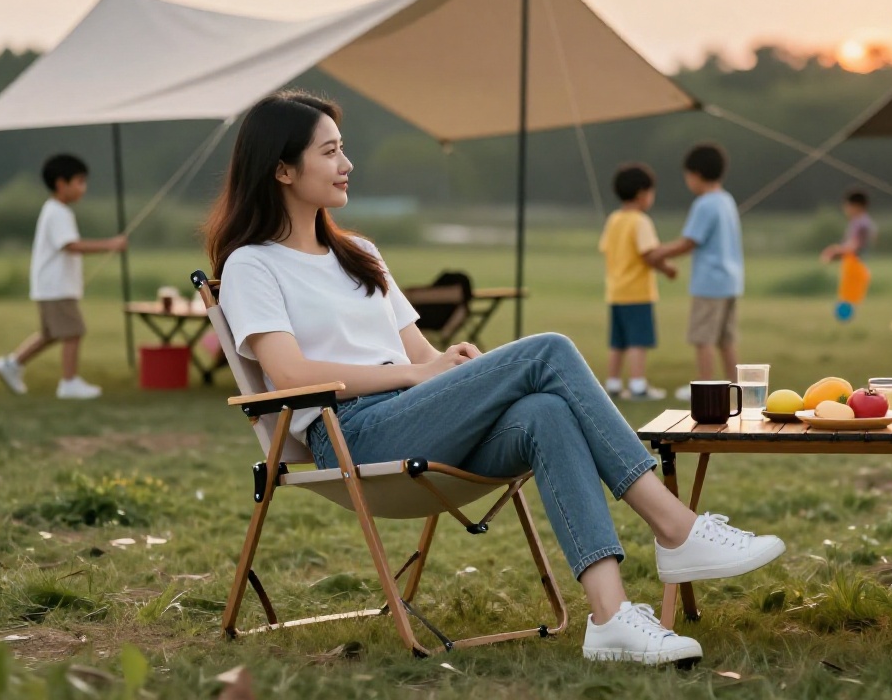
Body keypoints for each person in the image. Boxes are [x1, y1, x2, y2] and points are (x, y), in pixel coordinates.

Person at [205, 90, 784, 667]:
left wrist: (454, 367)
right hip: (351, 436)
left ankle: (609, 618)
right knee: (549, 350)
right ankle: (675, 527)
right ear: (283, 169)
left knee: (546, 412)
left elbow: (420, 354)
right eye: (329, 152)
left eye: (343, 148)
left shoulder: (360, 253)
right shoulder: (253, 263)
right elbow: (288, 372)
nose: (346, 164)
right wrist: (418, 373)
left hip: (415, 415)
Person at [0, 154, 128, 399]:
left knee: (51, 334)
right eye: (79, 182)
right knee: (74, 332)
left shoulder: (55, 211)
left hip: (50, 287)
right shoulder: (58, 212)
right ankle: (69, 383)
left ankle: (12, 365)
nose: (83, 188)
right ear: (61, 184)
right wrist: (110, 244)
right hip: (56, 288)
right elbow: (71, 246)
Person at [648, 143, 743, 400]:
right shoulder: (726, 200)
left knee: (704, 339)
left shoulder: (705, 204)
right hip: (731, 282)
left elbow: (689, 241)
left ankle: (705, 388)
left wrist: (659, 253)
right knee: (726, 340)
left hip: (709, 284)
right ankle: (737, 386)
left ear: (696, 174)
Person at [598, 163, 676, 401]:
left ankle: (612, 384)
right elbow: (648, 254)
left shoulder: (614, 219)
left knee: (617, 343)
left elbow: (604, 247)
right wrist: (667, 268)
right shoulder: (640, 221)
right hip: (638, 294)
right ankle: (638, 386)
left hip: (616, 293)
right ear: (643, 193)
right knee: (637, 342)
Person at [819, 189, 875, 263]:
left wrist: (833, 252)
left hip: (856, 268)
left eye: (847, 205)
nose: (845, 209)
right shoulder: (860, 222)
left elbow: (854, 246)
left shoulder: (861, 224)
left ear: (856, 205)